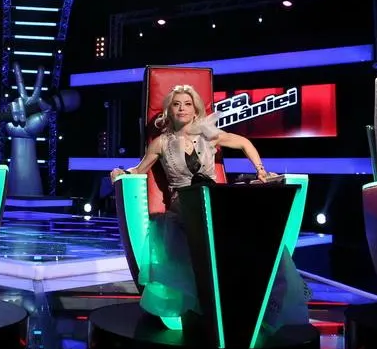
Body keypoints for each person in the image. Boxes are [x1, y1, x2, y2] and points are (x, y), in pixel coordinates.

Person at [109, 84, 310, 335]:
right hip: (184, 201)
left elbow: (244, 143)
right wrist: (120, 173)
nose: (182, 109)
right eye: (176, 104)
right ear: (169, 111)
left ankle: (265, 300)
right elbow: (140, 170)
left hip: (214, 196)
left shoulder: (209, 135)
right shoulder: (161, 143)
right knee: (205, 225)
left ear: (195, 110)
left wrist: (260, 170)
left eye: (187, 104)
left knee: (253, 230)